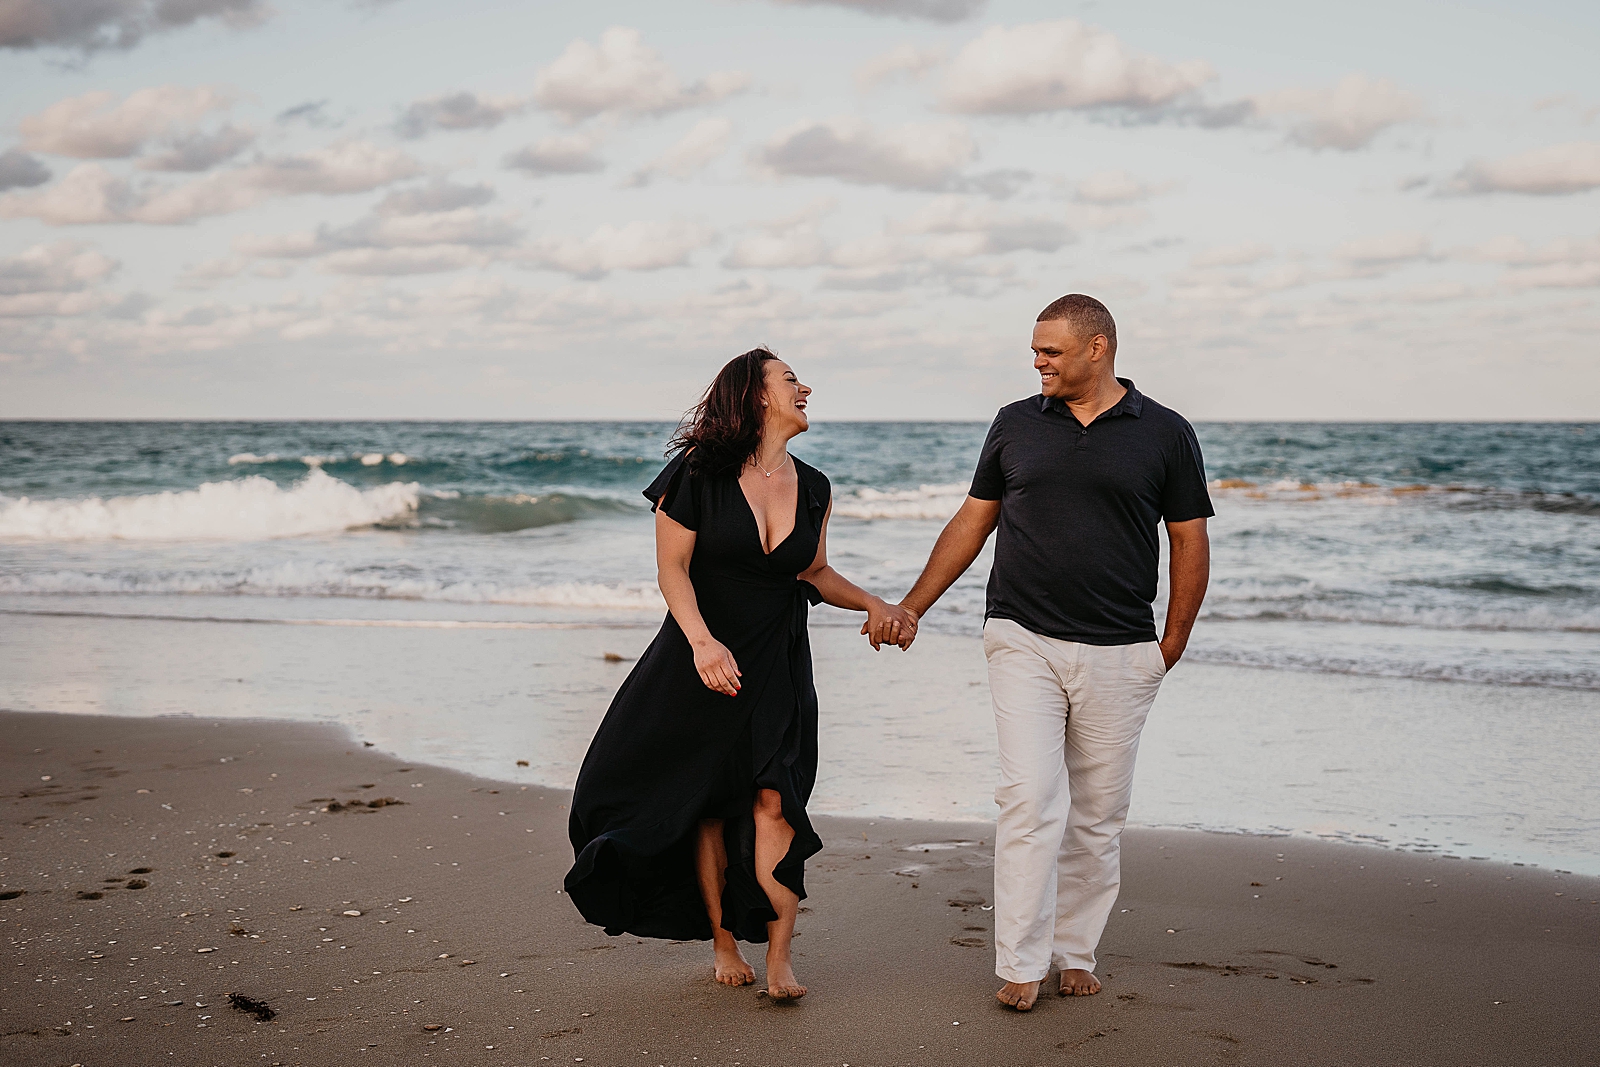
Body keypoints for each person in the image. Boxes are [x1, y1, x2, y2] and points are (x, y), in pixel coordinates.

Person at [564, 347, 917, 1000]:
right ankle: (724, 939)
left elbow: (811, 571)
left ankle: (780, 957)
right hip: (701, 660)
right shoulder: (697, 473)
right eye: (790, 379)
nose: (805, 387)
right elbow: (672, 569)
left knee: (776, 798)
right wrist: (702, 642)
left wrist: (873, 601)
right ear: (755, 395)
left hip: (778, 659)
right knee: (706, 803)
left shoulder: (815, 487)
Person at [896, 294, 1212, 1012]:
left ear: (1098, 349)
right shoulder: (1014, 424)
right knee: (1030, 797)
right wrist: (914, 605)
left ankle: (1075, 949)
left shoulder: (1164, 432)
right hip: (1022, 635)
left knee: (1098, 813)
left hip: (1123, 648)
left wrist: (1170, 645)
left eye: (1051, 351)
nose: (1037, 362)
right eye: (1035, 351)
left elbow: (1189, 539)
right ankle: (1021, 960)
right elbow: (972, 523)